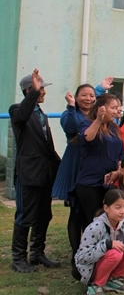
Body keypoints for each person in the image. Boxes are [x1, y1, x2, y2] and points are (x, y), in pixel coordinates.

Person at [52, 82, 108, 277]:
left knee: (89, 212)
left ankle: (88, 251)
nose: (89, 99)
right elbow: (70, 126)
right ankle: (76, 255)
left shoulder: (94, 115)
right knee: (76, 211)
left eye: (92, 96)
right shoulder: (71, 114)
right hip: (75, 162)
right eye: (84, 95)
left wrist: (101, 89)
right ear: (76, 98)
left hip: (91, 165)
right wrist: (69, 106)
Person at [9, 69, 62, 273]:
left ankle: (37, 253)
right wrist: (32, 93)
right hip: (28, 174)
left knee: (43, 215)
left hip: (45, 174)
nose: (44, 93)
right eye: (41, 89)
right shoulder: (17, 111)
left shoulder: (42, 115)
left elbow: (47, 147)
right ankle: (18, 258)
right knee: (25, 216)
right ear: (29, 90)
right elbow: (22, 115)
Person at [75, 189, 124, 294]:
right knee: (115, 252)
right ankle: (96, 284)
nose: (123, 211)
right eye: (117, 207)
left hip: (114, 260)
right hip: (92, 267)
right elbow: (81, 258)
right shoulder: (95, 227)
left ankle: (113, 279)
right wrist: (107, 245)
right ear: (106, 208)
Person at [75, 94, 124, 227]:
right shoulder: (87, 123)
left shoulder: (114, 128)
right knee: (93, 220)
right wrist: (98, 120)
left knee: (107, 220)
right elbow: (87, 138)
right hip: (90, 182)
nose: (115, 111)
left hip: (108, 182)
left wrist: (118, 172)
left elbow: (121, 154)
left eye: (117, 108)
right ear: (100, 108)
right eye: (112, 108)